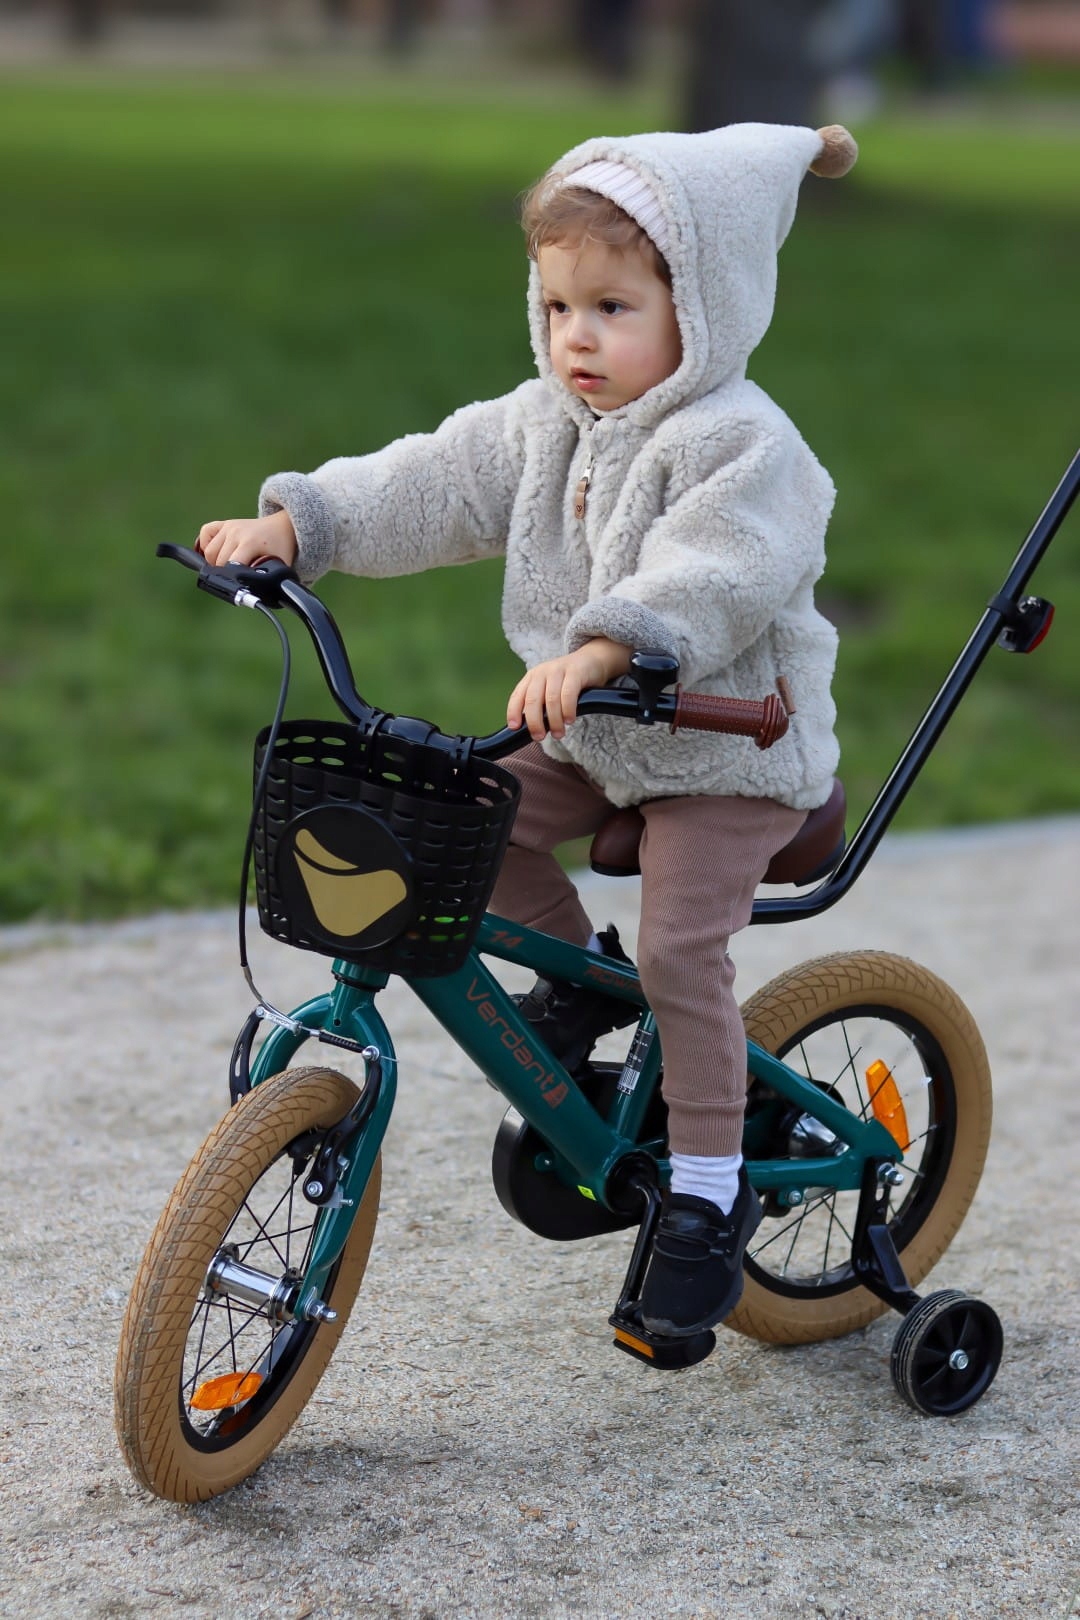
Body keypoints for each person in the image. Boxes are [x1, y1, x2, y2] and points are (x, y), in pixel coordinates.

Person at [198, 121, 857, 1338]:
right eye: (556, 307)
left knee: (679, 955)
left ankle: (707, 1192)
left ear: (704, 307)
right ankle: (580, 981)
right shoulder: (545, 422)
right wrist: (302, 526)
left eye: (612, 308)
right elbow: (432, 480)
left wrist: (605, 646)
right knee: (460, 821)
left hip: (728, 749)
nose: (576, 339)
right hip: (603, 735)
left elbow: (716, 574)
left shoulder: (747, 447)